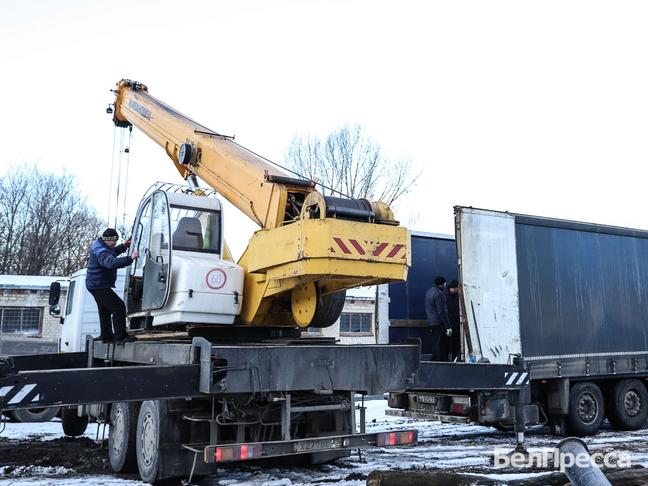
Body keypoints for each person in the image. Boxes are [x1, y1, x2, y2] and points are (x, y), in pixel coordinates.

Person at [86, 228, 139, 343]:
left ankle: (106, 336)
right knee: (118, 307)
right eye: (114, 241)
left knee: (104, 310)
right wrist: (130, 258)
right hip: (99, 286)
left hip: (95, 284)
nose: (115, 243)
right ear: (107, 240)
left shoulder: (102, 245)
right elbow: (111, 263)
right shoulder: (100, 251)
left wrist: (124, 246)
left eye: (116, 241)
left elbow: (112, 252)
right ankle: (121, 337)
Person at [425, 275, 452, 361]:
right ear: (442, 284)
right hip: (438, 322)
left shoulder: (429, 292)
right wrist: (448, 327)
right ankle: (439, 361)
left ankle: (434, 359)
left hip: (431, 322)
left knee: (436, 341)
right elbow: (441, 312)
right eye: (445, 283)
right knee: (441, 343)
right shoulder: (439, 294)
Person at [446, 280, 461, 361]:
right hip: (453, 323)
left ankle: (453, 358)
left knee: (450, 343)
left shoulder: (446, 295)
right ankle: (455, 358)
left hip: (449, 324)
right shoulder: (454, 297)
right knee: (455, 343)